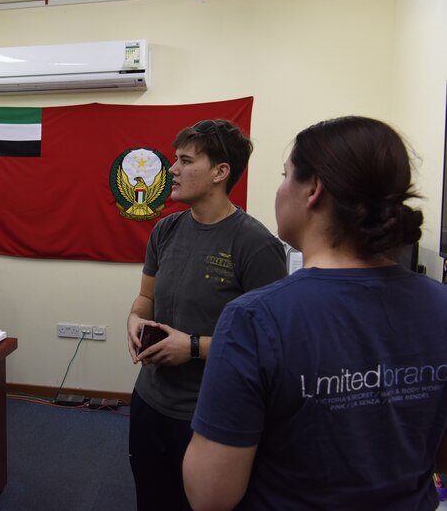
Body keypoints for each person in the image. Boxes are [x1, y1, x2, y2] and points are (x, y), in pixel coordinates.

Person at [183, 116, 447, 510]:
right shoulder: (440, 305)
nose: (279, 188)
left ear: (313, 190)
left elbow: (211, 496)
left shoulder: (255, 319)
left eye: (285, 174)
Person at [126, 119, 287, 510]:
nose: (172, 170)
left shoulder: (256, 244)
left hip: (209, 413)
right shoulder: (165, 230)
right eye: (174, 159)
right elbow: (145, 297)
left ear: (220, 172)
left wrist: (193, 347)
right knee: (151, 498)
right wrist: (134, 319)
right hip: (149, 400)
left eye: (185, 160)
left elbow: (270, 345)